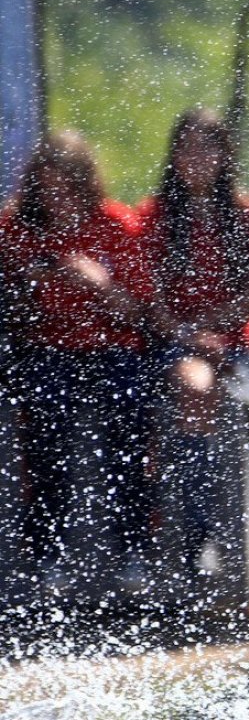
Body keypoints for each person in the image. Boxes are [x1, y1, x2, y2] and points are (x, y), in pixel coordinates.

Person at [134, 108, 249, 604]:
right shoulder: (153, 217)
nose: (197, 156)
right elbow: (149, 301)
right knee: (197, 390)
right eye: (187, 146)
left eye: (208, 146)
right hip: (179, 343)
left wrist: (215, 329)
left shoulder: (246, 214)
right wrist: (191, 335)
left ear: (225, 155)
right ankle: (201, 540)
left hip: (244, 342)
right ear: (174, 156)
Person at [0, 132, 155, 601]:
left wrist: (99, 284)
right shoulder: (14, 228)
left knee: (129, 415)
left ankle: (133, 546)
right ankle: (47, 550)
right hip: (45, 346)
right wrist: (27, 285)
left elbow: (139, 314)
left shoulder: (116, 224)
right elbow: (12, 315)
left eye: (67, 188)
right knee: (46, 422)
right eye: (48, 189)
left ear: (85, 184)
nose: (58, 200)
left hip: (111, 346)